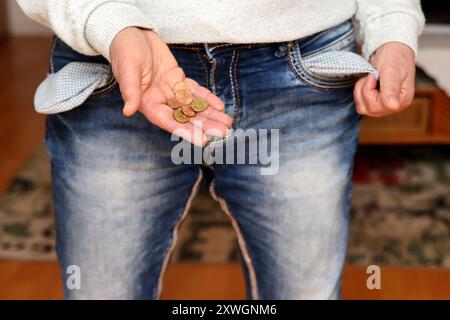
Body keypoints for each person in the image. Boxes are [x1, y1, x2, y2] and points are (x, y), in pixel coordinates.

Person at [17, 0, 425, 300]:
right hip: (113, 64)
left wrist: (392, 27)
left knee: (304, 290)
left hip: (304, 67)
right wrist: (107, 22)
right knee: (100, 289)